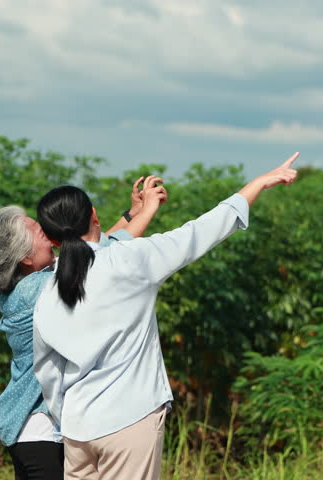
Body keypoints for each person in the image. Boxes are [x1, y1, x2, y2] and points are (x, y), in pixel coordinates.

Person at [32, 153, 300, 480]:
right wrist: (258, 183)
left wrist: (68, 417)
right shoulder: (130, 262)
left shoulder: (46, 292)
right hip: (128, 422)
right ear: (94, 215)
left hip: (76, 429)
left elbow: (47, 369)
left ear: (53, 238)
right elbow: (200, 232)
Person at [0, 177, 167, 480]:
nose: (50, 236)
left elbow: (91, 251)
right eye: (40, 232)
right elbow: (103, 258)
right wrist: (148, 212)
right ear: (24, 256)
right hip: (40, 431)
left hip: (29, 432)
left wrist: (131, 214)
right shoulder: (35, 289)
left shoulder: (26, 285)